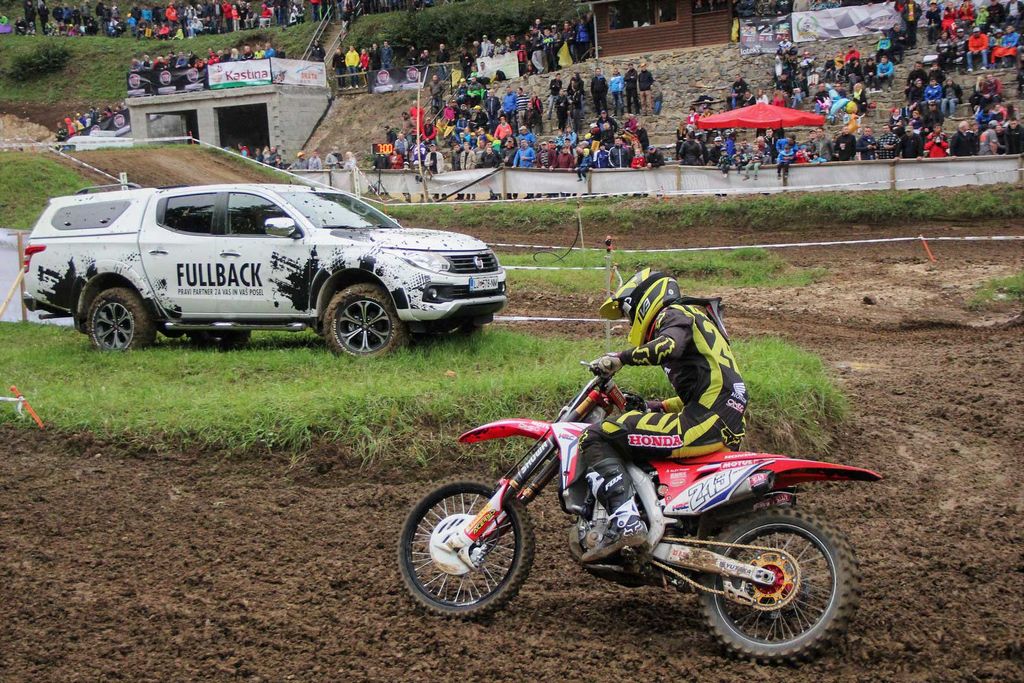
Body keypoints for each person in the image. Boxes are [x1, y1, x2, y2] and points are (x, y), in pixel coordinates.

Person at [579, 270, 747, 563]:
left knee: (597, 434)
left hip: (706, 421)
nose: (630, 322)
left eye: (628, 314)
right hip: (719, 420)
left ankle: (627, 524)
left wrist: (620, 358)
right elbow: (704, 390)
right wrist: (654, 406)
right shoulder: (696, 320)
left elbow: (667, 346)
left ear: (643, 301)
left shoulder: (674, 314)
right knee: (636, 435)